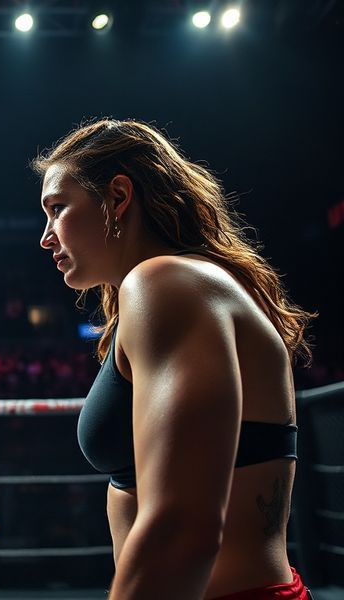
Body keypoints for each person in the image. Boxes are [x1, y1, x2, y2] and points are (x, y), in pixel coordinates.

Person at [34, 119, 314, 600]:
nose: (46, 236)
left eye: (58, 209)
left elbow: (180, 527)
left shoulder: (165, 284)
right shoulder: (174, 288)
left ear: (118, 198)